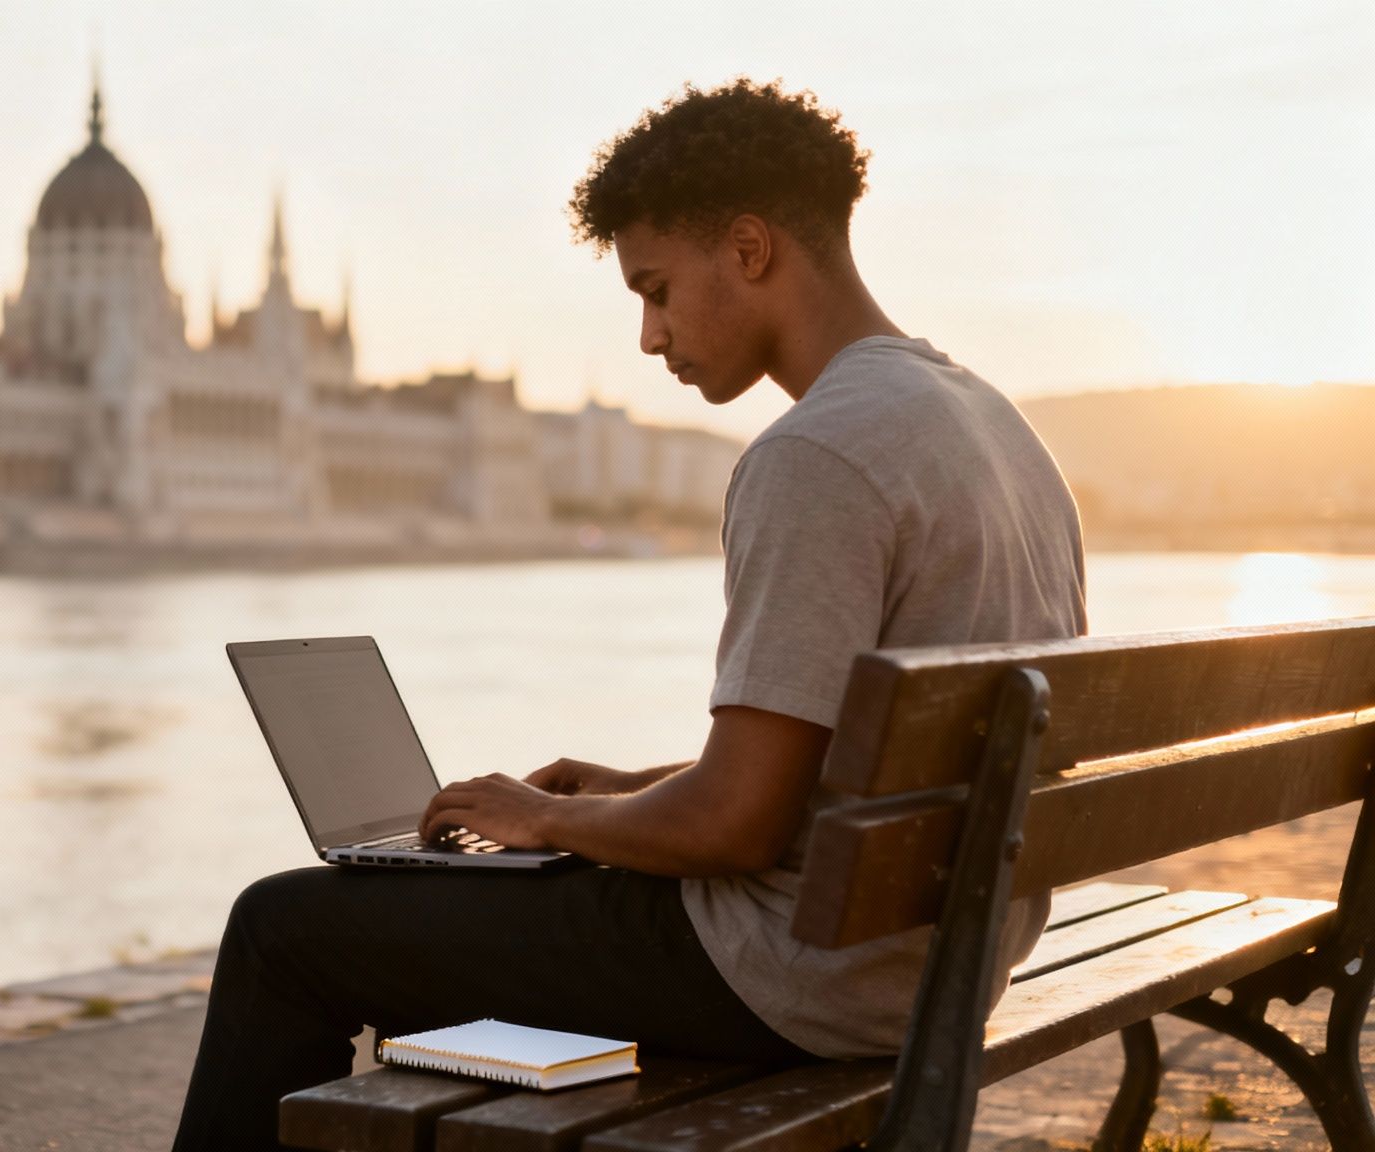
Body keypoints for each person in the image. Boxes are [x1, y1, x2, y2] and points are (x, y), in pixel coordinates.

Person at [171, 77, 1086, 1152]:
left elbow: (730, 826)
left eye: (655, 290)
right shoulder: (987, 422)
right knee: (439, 921)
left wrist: (546, 820)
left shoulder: (813, 456)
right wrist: (627, 790)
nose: (649, 338)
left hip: (802, 974)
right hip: (939, 955)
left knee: (284, 928)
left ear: (747, 249)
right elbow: (844, 765)